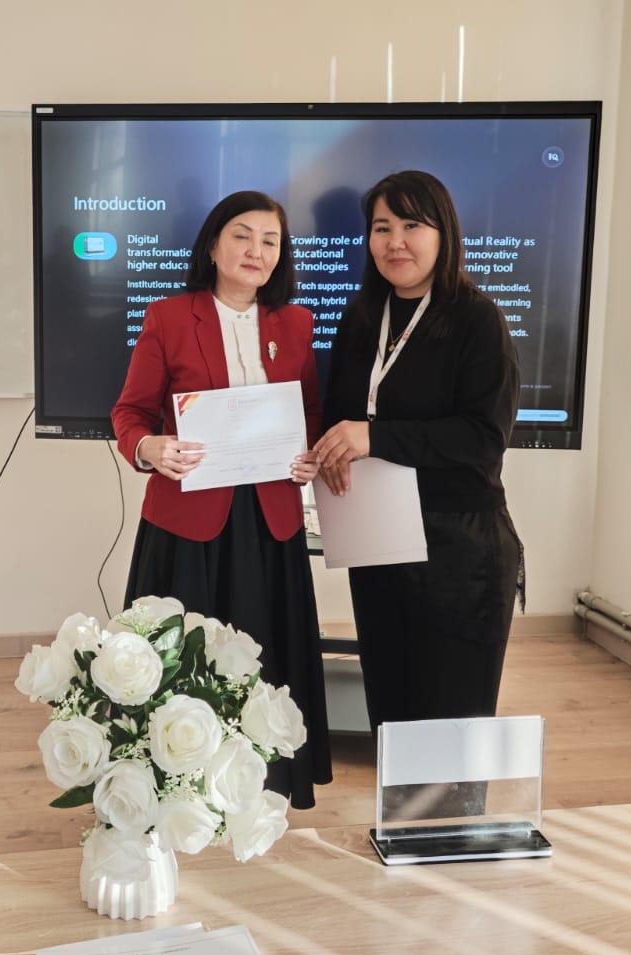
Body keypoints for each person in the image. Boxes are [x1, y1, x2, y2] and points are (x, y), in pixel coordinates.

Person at [111, 190, 333, 809]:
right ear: (213, 245)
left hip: (269, 522)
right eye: (242, 235)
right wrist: (149, 447)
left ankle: (262, 785)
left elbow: (309, 414)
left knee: (266, 658)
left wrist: (309, 453)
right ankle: (177, 791)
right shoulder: (168, 316)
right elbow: (129, 413)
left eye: (270, 241)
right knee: (185, 664)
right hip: (189, 521)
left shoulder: (295, 323)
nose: (256, 250)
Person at [312, 170, 524, 732]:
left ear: (443, 233)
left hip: (457, 549)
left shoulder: (477, 319)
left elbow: (483, 437)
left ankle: (448, 799)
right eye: (382, 228)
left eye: (412, 225)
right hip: (378, 541)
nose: (395, 242)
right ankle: (395, 796)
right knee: (391, 714)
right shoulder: (360, 318)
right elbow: (340, 415)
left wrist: (375, 436)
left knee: (450, 722)